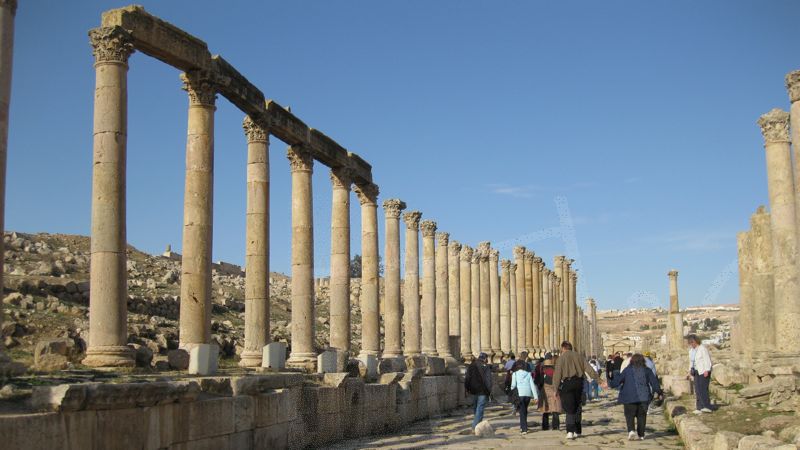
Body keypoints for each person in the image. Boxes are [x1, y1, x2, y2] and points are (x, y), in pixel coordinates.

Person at [610, 353, 663, 440]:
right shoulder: (647, 370)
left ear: (631, 361)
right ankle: (641, 434)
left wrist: (611, 384)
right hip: (643, 397)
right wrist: (659, 392)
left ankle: (631, 431)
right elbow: (654, 383)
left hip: (629, 396)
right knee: (641, 416)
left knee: (629, 415)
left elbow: (618, 380)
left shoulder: (628, 370)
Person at [554, 341, 600, 439]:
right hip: (579, 383)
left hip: (568, 383)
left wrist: (555, 389)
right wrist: (599, 380)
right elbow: (589, 370)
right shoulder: (579, 356)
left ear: (563, 348)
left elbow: (557, 374)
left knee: (569, 408)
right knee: (577, 406)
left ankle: (570, 431)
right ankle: (578, 430)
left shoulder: (561, 358)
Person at [465, 352, 493, 429]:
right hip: (482, 391)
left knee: (476, 407)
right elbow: (488, 380)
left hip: (473, 390)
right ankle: (475, 426)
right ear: (485, 358)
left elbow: (467, 378)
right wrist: (489, 390)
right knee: (480, 408)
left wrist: (466, 388)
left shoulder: (471, 366)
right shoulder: (486, 367)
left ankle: (478, 423)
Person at [511, 359, 539, 434]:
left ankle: (524, 428)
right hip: (528, 394)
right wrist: (536, 397)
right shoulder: (528, 374)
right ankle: (523, 426)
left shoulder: (515, 374)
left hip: (520, 394)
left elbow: (513, 385)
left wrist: (511, 390)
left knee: (522, 411)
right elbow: (532, 385)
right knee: (524, 410)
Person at [686, 334, 713, 414]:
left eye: (692, 342)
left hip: (703, 371)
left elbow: (707, 359)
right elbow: (691, 362)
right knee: (697, 390)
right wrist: (689, 372)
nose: (692, 344)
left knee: (703, 389)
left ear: (696, 341)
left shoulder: (702, 349)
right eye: (690, 343)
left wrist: (707, 370)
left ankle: (706, 406)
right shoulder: (691, 351)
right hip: (696, 371)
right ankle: (699, 407)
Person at [535, 353, 562, 431]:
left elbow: (538, 380)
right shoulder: (555, 368)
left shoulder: (541, 368)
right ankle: (555, 426)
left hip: (544, 390)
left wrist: (540, 388)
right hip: (554, 389)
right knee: (555, 409)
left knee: (545, 410)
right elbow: (559, 379)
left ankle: (545, 426)